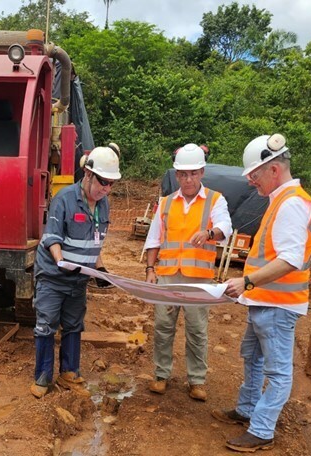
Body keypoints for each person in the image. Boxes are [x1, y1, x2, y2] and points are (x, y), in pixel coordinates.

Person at [214, 134, 311, 453]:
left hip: (277, 305)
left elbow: (289, 259)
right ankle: (247, 409)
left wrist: (247, 282)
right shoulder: (279, 201)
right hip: (264, 302)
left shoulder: (291, 204)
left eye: (254, 175)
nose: (251, 182)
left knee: (278, 371)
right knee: (252, 357)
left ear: (273, 169)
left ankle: (262, 429)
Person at [30, 145, 121, 398]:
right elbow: (52, 238)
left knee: (73, 324)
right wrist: (60, 262)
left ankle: (69, 372)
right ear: (87, 174)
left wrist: (101, 270)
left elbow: (94, 242)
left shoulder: (104, 205)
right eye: (103, 182)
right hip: (53, 275)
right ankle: (43, 377)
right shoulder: (64, 199)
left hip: (78, 278)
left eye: (111, 184)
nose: (106, 189)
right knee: (46, 324)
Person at [143, 143, 232, 401]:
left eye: (193, 173)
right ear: (177, 175)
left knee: (196, 329)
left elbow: (225, 226)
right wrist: (150, 269)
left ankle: (196, 380)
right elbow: (154, 238)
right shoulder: (166, 203)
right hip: (168, 275)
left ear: (202, 172)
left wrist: (209, 233)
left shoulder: (215, 200)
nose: (188, 178)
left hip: (198, 279)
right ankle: (161, 375)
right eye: (183, 174)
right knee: (162, 326)